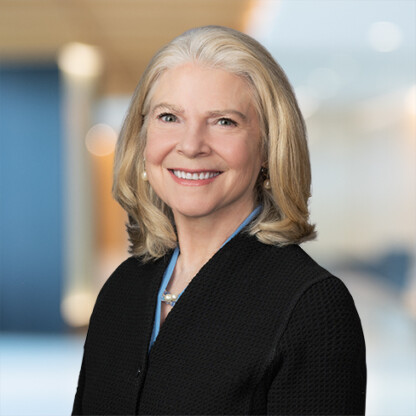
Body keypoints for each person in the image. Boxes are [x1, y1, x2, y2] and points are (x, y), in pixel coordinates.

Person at [72, 25, 366, 415]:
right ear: (142, 138)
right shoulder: (125, 287)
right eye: (169, 117)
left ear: (267, 147)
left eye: (224, 121)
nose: (191, 145)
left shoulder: (312, 307)